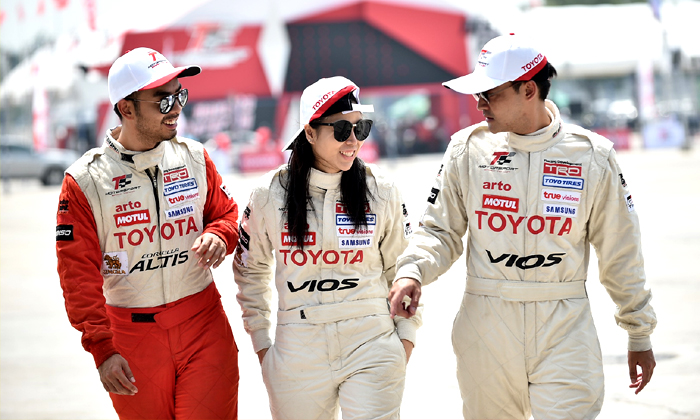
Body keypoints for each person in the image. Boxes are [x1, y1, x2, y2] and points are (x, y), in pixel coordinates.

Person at [388, 34, 657, 420]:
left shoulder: (592, 156)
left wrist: (639, 331)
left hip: (564, 326)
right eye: (477, 95)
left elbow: (621, 250)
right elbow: (439, 230)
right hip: (486, 325)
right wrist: (412, 270)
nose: (479, 104)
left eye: (490, 94)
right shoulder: (467, 149)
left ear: (528, 90)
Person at [56, 48, 240, 419]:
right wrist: (102, 349)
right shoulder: (85, 181)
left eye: (179, 96)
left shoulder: (195, 157)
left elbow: (226, 214)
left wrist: (220, 234)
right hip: (131, 339)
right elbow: (78, 276)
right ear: (126, 108)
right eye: (163, 100)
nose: (176, 109)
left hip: (203, 325)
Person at [233, 76, 421, 420]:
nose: (353, 141)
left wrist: (404, 339)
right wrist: (263, 348)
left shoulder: (382, 189)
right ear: (309, 132)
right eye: (342, 130)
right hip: (297, 351)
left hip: (372, 343)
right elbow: (249, 271)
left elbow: (405, 267)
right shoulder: (268, 194)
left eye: (361, 128)